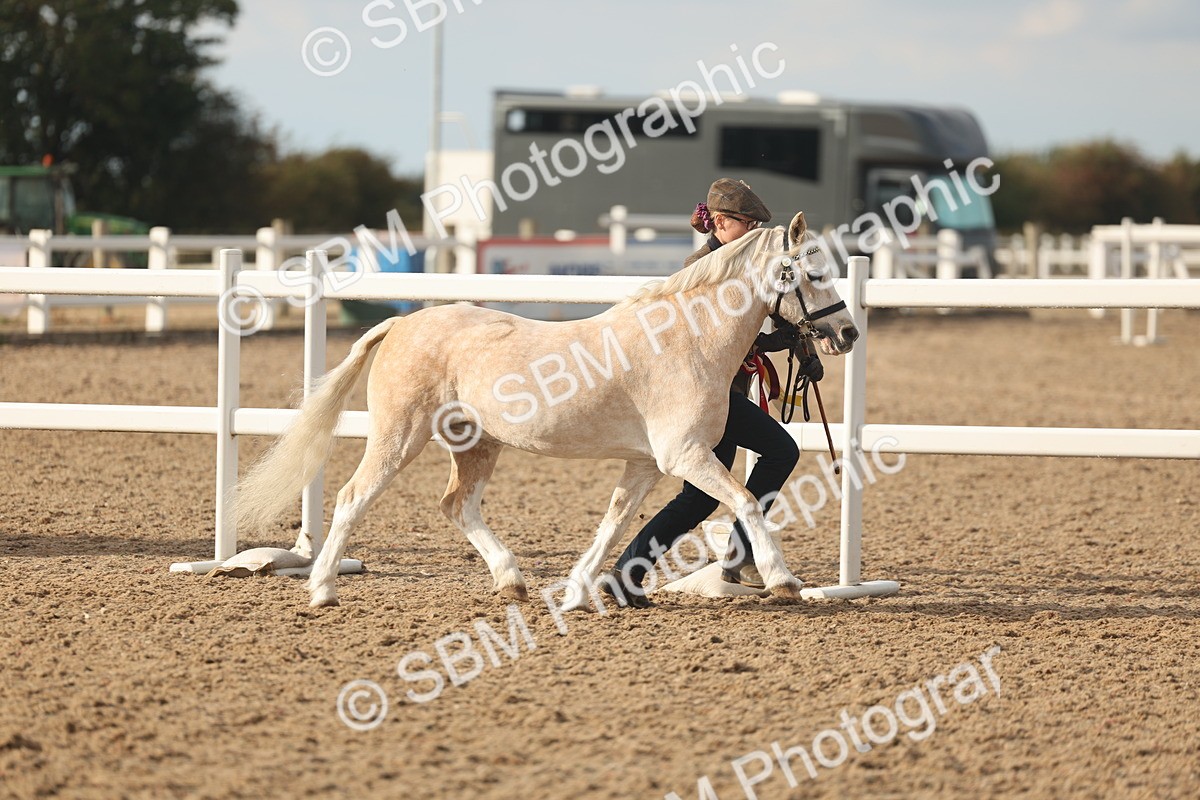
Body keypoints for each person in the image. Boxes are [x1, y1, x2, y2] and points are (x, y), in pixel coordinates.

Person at [603, 179, 824, 608]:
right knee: (749, 468)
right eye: (748, 224)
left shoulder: (756, 264)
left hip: (722, 396)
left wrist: (802, 344)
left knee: (713, 488)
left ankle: (634, 573)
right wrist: (765, 345)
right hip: (700, 400)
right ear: (720, 223)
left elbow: (782, 305)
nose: (756, 232)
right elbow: (710, 341)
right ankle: (731, 559)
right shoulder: (698, 268)